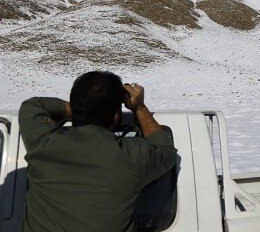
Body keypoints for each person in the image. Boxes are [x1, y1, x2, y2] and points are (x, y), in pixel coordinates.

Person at [19, 71, 177, 232]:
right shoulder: (132, 157)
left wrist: (84, 109)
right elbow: (165, 150)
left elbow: (32, 107)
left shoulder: (44, 143)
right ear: (116, 116)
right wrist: (139, 107)